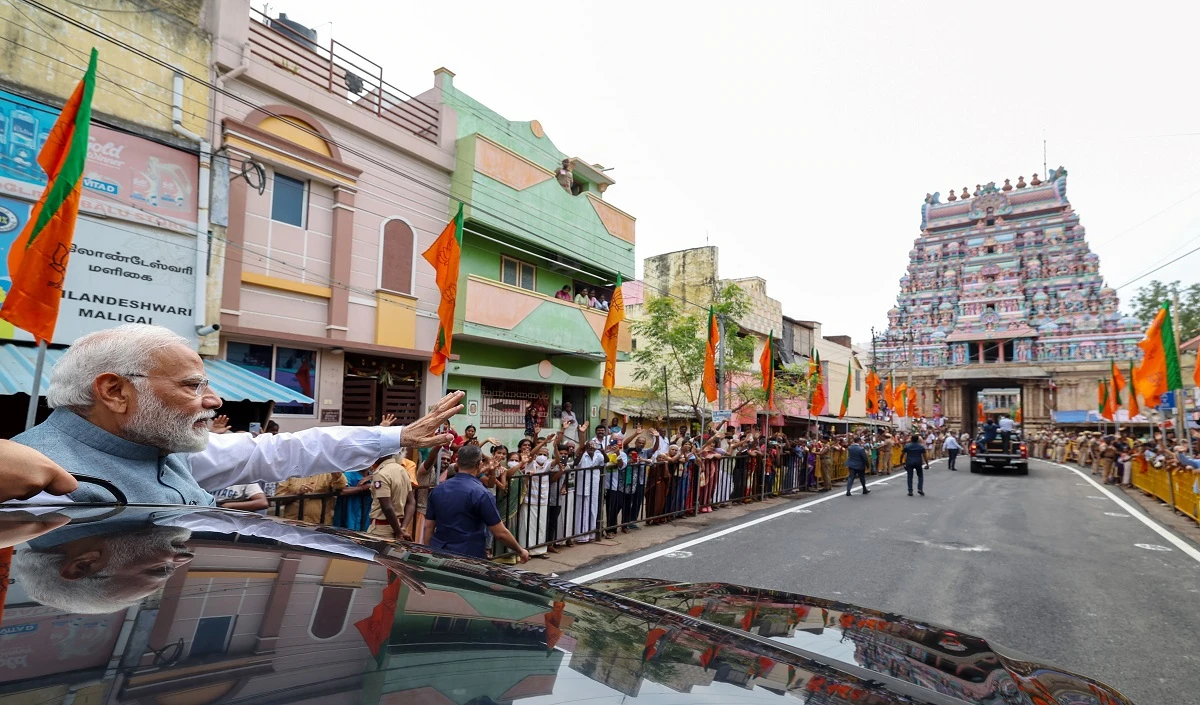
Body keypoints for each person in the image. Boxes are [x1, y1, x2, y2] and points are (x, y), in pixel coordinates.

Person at [13, 324, 463, 505]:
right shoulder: (32, 487)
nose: (214, 401)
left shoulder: (164, 452)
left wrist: (397, 437)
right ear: (114, 391)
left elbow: (284, 450)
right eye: (193, 386)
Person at [423, 445, 529, 562]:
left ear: (457, 462)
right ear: (479, 464)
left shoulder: (438, 489)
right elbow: (500, 533)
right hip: (468, 555)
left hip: (439, 552)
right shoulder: (481, 494)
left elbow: (428, 527)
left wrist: (429, 551)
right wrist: (520, 550)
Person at [367, 454, 416, 540]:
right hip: (399, 528)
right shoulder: (403, 471)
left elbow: (387, 507)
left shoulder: (381, 474)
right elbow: (411, 502)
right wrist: (403, 528)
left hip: (381, 531)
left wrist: (398, 532)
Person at [275, 472, 347, 524]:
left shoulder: (328, 472)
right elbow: (279, 499)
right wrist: (297, 493)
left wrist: (332, 466)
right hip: (292, 523)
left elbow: (341, 485)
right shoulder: (291, 471)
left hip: (320, 525)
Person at [574, 426, 606, 542]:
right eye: (589, 447)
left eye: (593, 447)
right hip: (583, 488)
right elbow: (576, 463)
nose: (591, 448)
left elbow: (605, 461)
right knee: (582, 512)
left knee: (593, 510)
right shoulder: (582, 456)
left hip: (594, 488)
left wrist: (602, 451)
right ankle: (581, 536)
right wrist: (582, 450)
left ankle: (591, 534)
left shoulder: (598, 455)